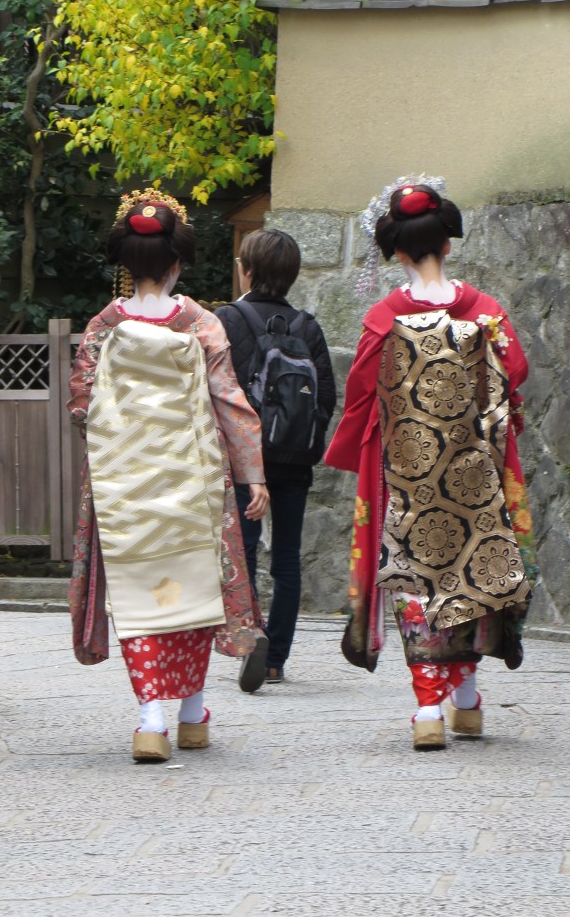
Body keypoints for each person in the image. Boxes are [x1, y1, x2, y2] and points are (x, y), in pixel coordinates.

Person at [325, 179, 538, 751]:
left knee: (416, 574)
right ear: (448, 242)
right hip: (478, 471)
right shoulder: (485, 312)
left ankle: (428, 709)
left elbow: (363, 398)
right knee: (474, 568)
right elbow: (512, 375)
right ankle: (467, 701)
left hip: (406, 474)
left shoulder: (384, 317)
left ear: (396, 250)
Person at [67, 188, 269, 763]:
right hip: (193, 479)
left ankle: (150, 718)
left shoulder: (103, 326)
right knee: (194, 587)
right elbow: (229, 401)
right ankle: (192, 712)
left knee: (138, 591)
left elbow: (82, 406)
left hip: (123, 481)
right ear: (178, 262)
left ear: (127, 268)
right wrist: (252, 473)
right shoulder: (200, 324)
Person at [215, 229, 336, 690]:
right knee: (286, 558)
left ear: (245, 269)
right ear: (291, 275)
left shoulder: (225, 319)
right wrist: (301, 444)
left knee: (240, 553)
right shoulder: (307, 326)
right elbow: (325, 397)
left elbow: (215, 390)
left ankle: (249, 639)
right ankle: (275, 660)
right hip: (292, 460)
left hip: (242, 459)